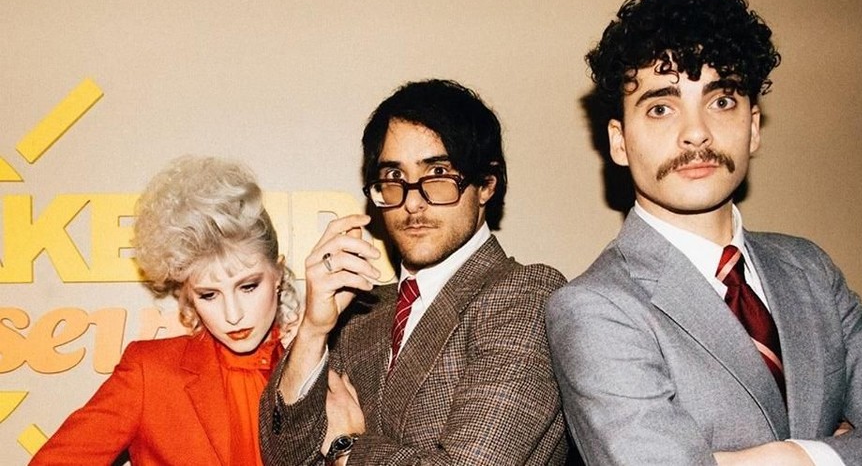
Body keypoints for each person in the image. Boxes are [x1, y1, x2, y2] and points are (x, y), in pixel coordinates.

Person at [546, 0, 862, 466]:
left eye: (722, 101)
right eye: (661, 108)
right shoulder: (595, 308)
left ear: (753, 127)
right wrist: (847, 448)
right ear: (619, 142)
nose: (696, 133)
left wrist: (792, 457)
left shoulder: (811, 269)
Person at [259, 79, 568, 465]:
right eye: (394, 177)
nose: (413, 203)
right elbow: (283, 458)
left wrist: (346, 448)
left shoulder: (525, 293)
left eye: (437, 172)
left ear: (486, 184)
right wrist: (313, 330)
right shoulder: (358, 314)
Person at [31, 155, 300, 465]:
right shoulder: (150, 373)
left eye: (248, 286)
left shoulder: (320, 369)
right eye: (209, 294)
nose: (233, 314)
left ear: (278, 274)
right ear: (188, 295)